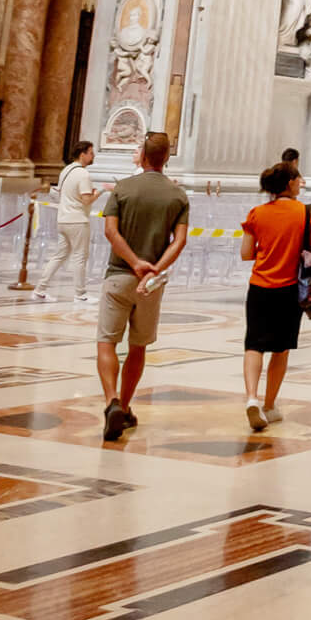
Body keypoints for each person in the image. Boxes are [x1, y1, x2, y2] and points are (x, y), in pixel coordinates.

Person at [97, 131, 189, 442]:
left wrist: (134, 262)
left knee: (107, 342)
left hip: (119, 274)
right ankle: (124, 405)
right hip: (150, 284)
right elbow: (180, 242)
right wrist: (153, 269)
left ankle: (111, 401)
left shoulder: (123, 188)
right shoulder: (177, 195)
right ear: (165, 159)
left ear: (145, 157)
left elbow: (110, 231)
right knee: (138, 346)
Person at [240, 160, 311, 431]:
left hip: (260, 286)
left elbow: (246, 253)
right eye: (298, 179)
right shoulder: (307, 213)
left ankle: (251, 398)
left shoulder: (257, 213)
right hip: (288, 289)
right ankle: (270, 405)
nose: (300, 183)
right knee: (281, 348)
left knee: (254, 344)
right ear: (290, 184)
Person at [34, 141, 98, 303]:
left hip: (62, 218)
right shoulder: (83, 174)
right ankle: (80, 294)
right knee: (80, 257)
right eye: (90, 152)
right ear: (82, 154)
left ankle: (40, 289)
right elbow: (86, 200)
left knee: (59, 255)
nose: (93, 155)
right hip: (77, 220)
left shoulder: (66, 170)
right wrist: (100, 191)